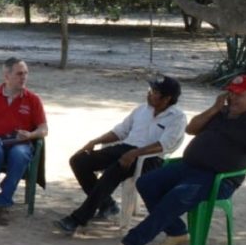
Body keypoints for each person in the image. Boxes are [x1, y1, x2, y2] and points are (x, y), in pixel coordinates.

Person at [110, 74, 246, 245]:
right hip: (189, 166)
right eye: (232, 93)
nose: (234, 98)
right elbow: (191, 129)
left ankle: (130, 243)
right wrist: (214, 109)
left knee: (177, 196)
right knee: (147, 183)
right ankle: (177, 231)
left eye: (240, 95)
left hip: (218, 177)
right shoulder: (220, 112)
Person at [54, 76, 187, 235]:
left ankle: (78, 218)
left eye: (155, 92)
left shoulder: (177, 118)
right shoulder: (141, 110)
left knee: (115, 170)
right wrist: (95, 141)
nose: (149, 94)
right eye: (150, 90)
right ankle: (107, 204)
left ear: (167, 98)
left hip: (150, 158)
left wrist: (136, 153)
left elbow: (165, 145)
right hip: (126, 149)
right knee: (79, 161)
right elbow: (120, 131)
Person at [0, 57, 47, 225]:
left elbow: (44, 129)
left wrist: (31, 135)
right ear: (7, 76)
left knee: (20, 155)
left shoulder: (33, 99)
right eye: (19, 73)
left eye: (26, 73)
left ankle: (3, 202)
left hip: (20, 142)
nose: (24, 77)